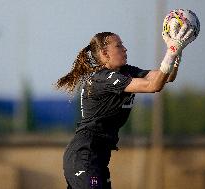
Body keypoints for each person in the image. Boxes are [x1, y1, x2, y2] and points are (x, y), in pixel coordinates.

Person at [56, 26, 194, 189]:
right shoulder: (104, 78)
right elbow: (153, 86)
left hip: (98, 157)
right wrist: (171, 52)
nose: (125, 48)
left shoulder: (126, 71)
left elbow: (166, 77)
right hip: (85, 155)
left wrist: (176, 52)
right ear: (104, 53)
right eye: (119, 46)